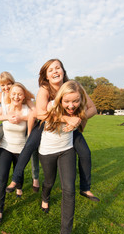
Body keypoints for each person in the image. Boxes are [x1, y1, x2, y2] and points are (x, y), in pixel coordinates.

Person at [6, 58, 100, 202]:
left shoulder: (73, 86)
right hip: (47, 124)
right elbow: (40, 113)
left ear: (63, 71)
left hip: (69, 127)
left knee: (85, 152)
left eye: (58, 68)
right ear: (46, 76)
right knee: (30, 145)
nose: (55, 71)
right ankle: (15, 179)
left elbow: (93, 109)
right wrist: (67, 118)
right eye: (50, 70)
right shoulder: (45, 89)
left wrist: (78, 119)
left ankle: (85, 188)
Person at [39, 80, 86, 234]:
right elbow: (43, 115)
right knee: (49, 182)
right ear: (60, 99)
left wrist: (78, 120)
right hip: (47, 151)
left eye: (75, 101)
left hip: (67, 150)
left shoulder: (79, 109)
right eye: (67, 101)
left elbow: (81, 127)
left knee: (69, 189)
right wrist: (67, 119)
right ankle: (45, 197)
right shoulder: (52, 105)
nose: (71, 106)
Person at [0, 72, 38, 191]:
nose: (6, 87)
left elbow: (35, 113)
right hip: (7, 124)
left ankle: (35, 177)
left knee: (31, 145)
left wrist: (21, 118)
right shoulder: (0, 96)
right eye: (2, 85)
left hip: (24, 123)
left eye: (8, 84)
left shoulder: (21, 95)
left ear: (13, 83)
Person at [0, 82, 34, 223]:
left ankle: (19, 188)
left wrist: (21, 118)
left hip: (21, 149)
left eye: (19, 94)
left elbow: (38, 115)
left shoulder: (28, 110)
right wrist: (7, 117)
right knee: (2, 178)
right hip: (5, 148)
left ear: (23, 96)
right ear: (10, 94)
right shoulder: (5, 108)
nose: (16, 96)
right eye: (14, 93)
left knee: (18, 174)